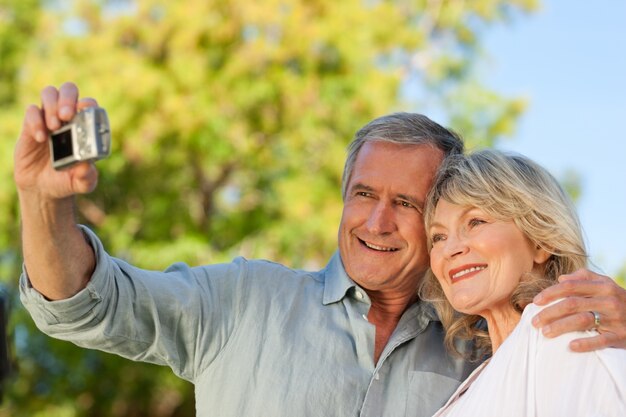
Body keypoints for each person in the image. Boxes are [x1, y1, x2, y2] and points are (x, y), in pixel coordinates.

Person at [15, 83, 626, 417]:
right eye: (363, 194)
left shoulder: (486, 351)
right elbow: (85, 303)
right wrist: (43, 202)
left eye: (409, 206)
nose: (377, 220)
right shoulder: (242, 301)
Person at [421, 149, 626, 416]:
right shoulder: (492, 370)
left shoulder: (559, 338)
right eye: (438, 237)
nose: (450, 249)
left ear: (542, 241)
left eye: (475, 221)